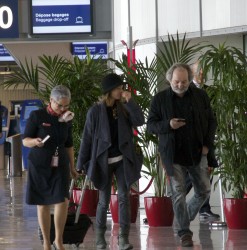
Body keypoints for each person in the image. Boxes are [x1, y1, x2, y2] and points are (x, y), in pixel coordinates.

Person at [147, 63, 217, 247]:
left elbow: (212, 121)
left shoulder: (200, 96)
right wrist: (168, 125)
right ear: (169, 79)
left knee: (204, 191)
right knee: (177, 193)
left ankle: (182, 218)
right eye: (177, 81)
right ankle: (184, 231)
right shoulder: (160, 99)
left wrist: (207, 147)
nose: (180, 85)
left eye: (184, 81)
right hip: (172, 154)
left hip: (197, 152)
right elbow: (151, 126)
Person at [76, 73, 144, 250]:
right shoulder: (95, 111)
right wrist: (80, 164)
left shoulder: (123, 108)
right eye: (118, 88)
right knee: (103, 200)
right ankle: (100, 238)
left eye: (121, 87)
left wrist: (131, 102)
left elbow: (140, 121)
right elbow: (87, 139)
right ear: (109, 91)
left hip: (122, 159)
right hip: (102, 160)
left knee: (123, 197)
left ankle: (123, 238)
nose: (121, 90)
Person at [23, 85, 78, 250]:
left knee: (63, 201)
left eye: (66, 106)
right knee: (43, 203)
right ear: (51, 101)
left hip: (60, 163)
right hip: (39, 164)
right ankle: (46, 242)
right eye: (59, 105)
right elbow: (25, 139)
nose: (63, 109)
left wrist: (72, 167)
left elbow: (69, 145)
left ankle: (58, 240)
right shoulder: (37, 116)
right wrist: (34, 142)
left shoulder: (67, 119)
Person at [185, 61, 220, 220]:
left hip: (207, 141)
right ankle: (171, 206)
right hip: (190, 143)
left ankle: (204, 209)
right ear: (192, 73)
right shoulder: (185, 91)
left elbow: (214, 117)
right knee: (187, 179)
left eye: (203, 71)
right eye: (198, 71)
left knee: (206, 175)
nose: (201, 75)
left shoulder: (211, 92)